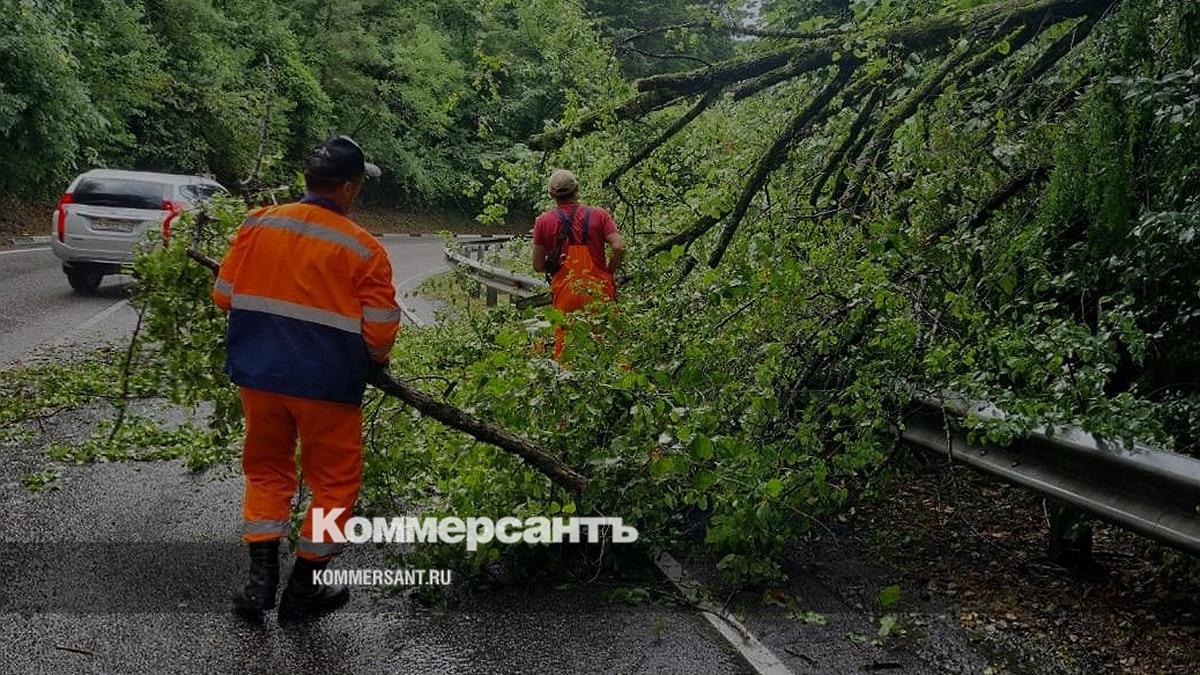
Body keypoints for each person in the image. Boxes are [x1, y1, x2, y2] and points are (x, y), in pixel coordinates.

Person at [212, 135, 401, 620]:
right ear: (349, 188)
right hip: (328, 387)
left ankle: (259, 585)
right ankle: (301, 591)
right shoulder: (364, 249)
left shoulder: (258, 223)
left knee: (266, 471)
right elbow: (379, 329)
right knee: (334, 485)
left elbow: (224, 294)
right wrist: (376, 360)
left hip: (260, 376)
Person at [531, 170, 625, 358]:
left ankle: (569, 384)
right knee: (608, 348)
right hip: (599, 292)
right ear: (577, 189)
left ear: (551, 194)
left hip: (566, 295)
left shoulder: (543, 222)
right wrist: (608, 271)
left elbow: (538, 265)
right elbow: (619, 247)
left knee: (568, 351)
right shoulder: (599, 215)